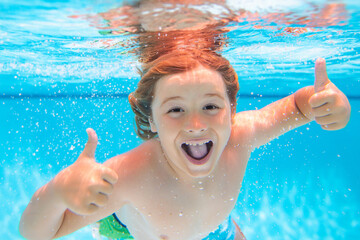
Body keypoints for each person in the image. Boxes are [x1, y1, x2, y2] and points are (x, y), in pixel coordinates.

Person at [19, 43, 351, 240]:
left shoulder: (241, 134)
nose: (196, 125)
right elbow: (38, 233)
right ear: (151, 119)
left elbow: (297, 106)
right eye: (175, 109)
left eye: (210, 106)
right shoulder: (129, 176)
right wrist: (58, 190)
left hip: (213, 229)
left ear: (231, 110)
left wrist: (327, 102)